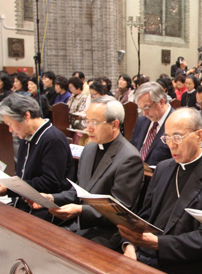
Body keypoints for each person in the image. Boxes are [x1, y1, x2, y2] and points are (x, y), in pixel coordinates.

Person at [118, 108, 202, 274]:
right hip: (143, 254)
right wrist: (129, 245)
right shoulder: (164, 168)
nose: (171, 145)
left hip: (181, 270)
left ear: (199, 135)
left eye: (178, 137)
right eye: (167, 138)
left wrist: (157, 243)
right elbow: (144, 214)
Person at [40, 96, 144, 249]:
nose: (88, 128)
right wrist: (51, 198)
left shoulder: (129, 158)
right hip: (79, 225)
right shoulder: (90, 148)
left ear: (114, 124)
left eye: (94, 123)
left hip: (105, 232)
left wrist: (80, 210)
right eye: (87, 121)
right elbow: (80, 190)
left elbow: (119, 210)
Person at [0, 94, 75, 222]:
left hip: (45, 209)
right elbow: (23, 175)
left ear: (26, 115)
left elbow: (50, 182)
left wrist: (11, 188)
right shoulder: (26, 136)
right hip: (23, 204)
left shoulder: (53, 139)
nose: (10, 130)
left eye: (10, 123)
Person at [130, 82, 173, 166]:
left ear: (161, 102)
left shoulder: (177, 123)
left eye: (147, 108)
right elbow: (132, 149)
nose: (144, 113)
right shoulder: (141, 121)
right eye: (141, 109)